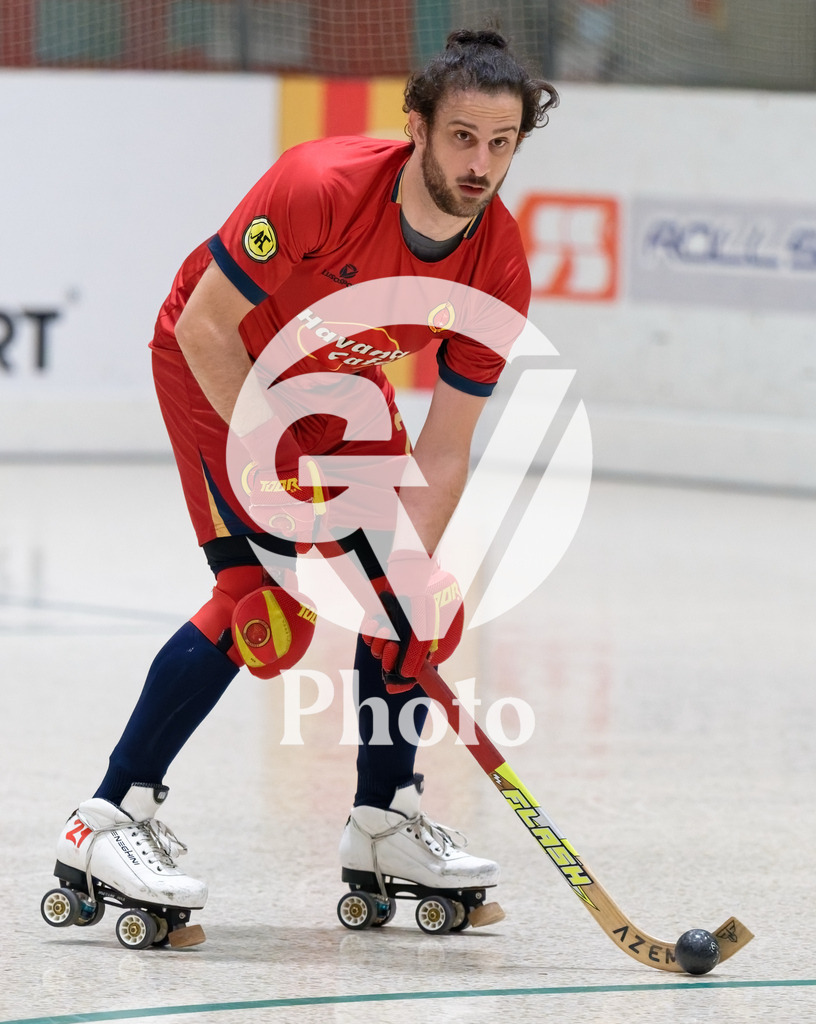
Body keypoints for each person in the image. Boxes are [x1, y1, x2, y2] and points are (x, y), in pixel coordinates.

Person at [47, 29, 558, 945]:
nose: (479, 164)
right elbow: (207, 323)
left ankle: (382, 821)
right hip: (219, 361)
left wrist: (402, 579)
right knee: (266, 609)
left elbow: (446, 452)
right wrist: (282, 474)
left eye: (501, 143)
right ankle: (105, 822)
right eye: (461, 138)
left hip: (334, 382)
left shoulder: (500, 264)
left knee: (413, 603)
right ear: (416, 128)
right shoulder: (320, 186)